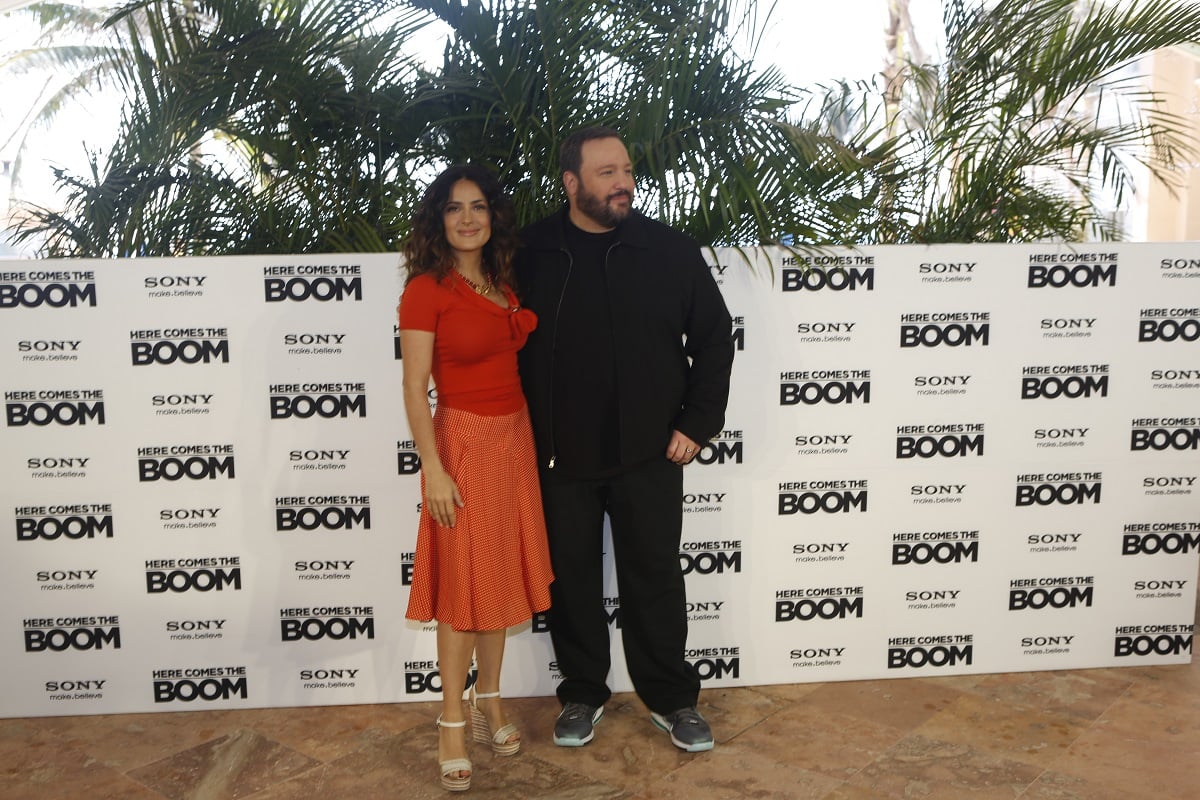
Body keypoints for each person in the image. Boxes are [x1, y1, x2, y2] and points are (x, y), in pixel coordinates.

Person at [515, 127, 734, 752]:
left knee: (655, 579)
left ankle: (672, 699)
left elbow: (715, 340)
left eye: (627, 170)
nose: (623, 183)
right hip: (559, 457)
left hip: (649, 453)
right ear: (572, 183)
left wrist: (696, 423)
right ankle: (582, 693)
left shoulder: (669, 251)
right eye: (606, 172)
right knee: (570, 583)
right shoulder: (530, 251)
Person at [399, 164, 554, 792]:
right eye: (455, 209)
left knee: (502, 580)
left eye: (480, 208)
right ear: (439, 220)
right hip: (461, 445)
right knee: (464, 589)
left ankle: (491, 699)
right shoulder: (425, 289)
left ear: (494, 219)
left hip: (516, 441)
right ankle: (452, 720)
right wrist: (432, 467)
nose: (468, 219)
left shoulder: (502, 282)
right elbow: (414, 387)